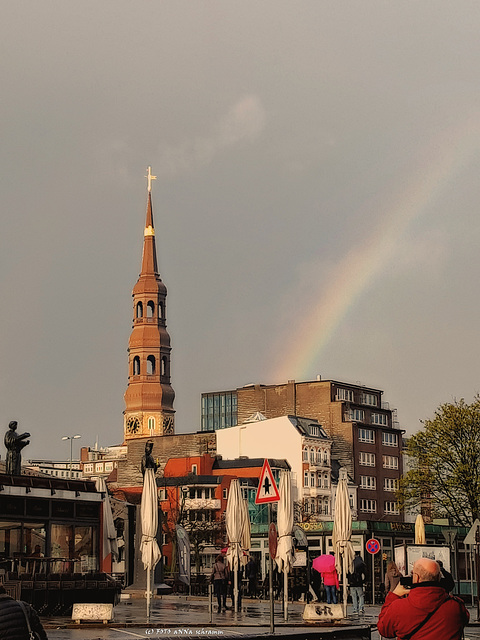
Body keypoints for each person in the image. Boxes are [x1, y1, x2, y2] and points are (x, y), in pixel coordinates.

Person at [377, 557, 469, 640]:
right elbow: (465, 618)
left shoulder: (398, 607)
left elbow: (383, 629)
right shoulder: (456, 606)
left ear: (416, 578)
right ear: (439, 578)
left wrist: (393, 596)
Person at [347, 550, 367, 615]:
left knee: (354, 596)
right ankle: (361, 608)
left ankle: (355, 609)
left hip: (352, 583)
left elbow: (347, 573)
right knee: (361, 595)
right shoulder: (360, 563)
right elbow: (365, 573)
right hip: (359, 582)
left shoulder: (350, 563)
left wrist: (348, 580)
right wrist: (364, 580)